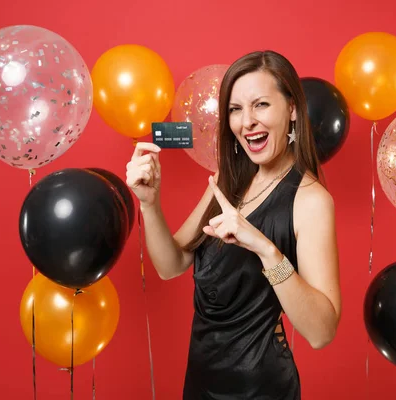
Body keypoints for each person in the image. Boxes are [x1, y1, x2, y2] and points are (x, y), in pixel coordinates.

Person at [125, 50, 341, 399]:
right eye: (235, 109)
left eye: (261, 105)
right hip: (200, 382)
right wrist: (150, 204)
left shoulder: (310, 200)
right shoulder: (230, 179)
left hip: (261, 389)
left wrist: (266, 250)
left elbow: (321, 332)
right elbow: (170, 264)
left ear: (292, 109)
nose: (247, 122)